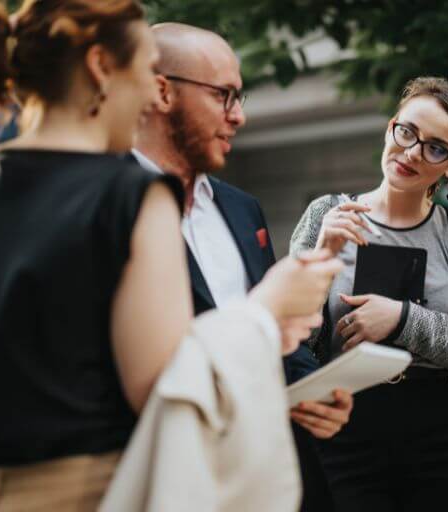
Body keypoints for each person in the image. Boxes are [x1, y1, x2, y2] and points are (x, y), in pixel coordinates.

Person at [0, 2, 340, 510]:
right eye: (142, 72)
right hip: (87, 492)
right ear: (101, 67)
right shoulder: (133, 195)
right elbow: (164, 388)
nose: (147, 99)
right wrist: (266, 310)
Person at [131, 22, 352, 511]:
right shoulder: (105, 204)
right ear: (162, 91)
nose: (239, 117)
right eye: (223, 96)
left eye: (240, 97)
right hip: (165, 474)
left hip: (265, 474)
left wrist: (311, 391)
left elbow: (275, 335)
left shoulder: (242, 209)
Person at [290, 76, 448, 512]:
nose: (411, 153)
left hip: (440, 440)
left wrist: (404, 320)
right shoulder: (327, 215)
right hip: (343, 429)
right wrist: (324, 253)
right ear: (390, 127)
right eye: (406, 132)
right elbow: (287, 337)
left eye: (435, 147)